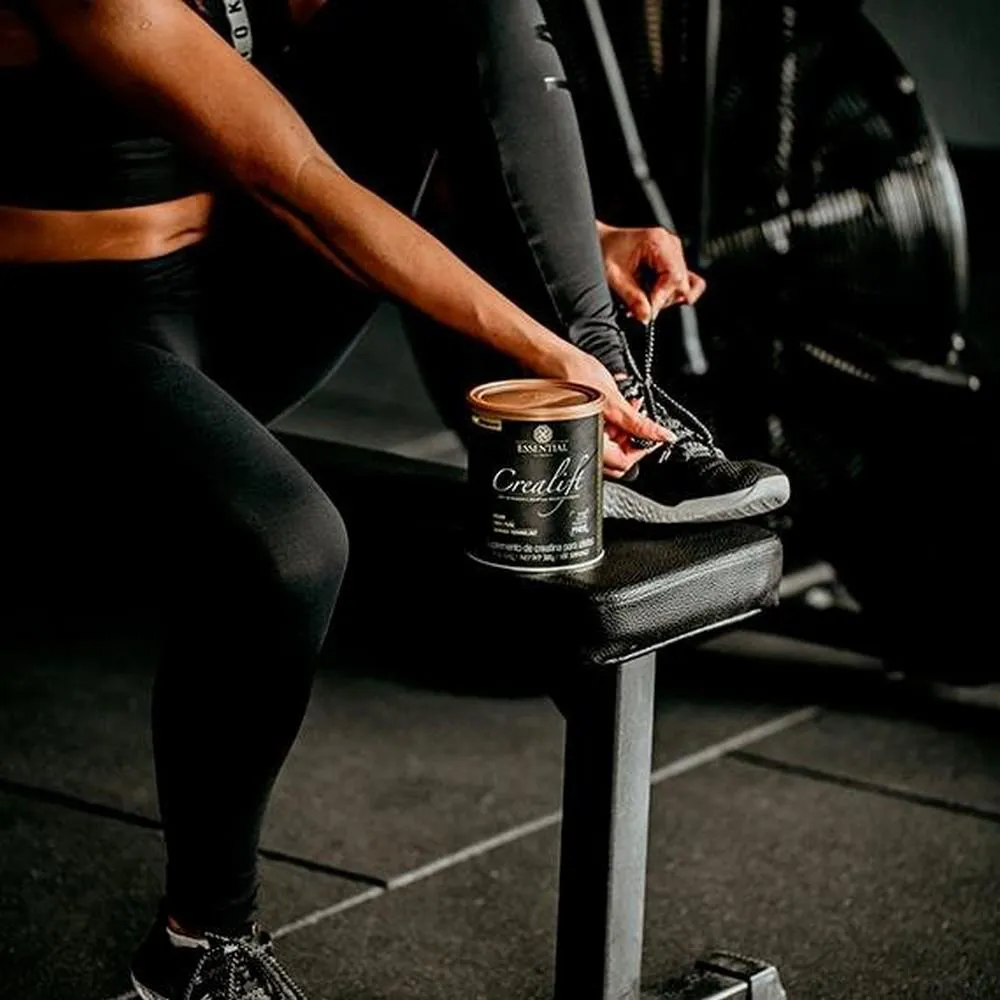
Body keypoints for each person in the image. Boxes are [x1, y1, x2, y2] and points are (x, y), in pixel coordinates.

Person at [0, 0, 788, 997]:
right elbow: (295, 177)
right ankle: (200, 951)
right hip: (57, 332)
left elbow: (397, 132)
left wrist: (574, 241)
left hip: (220, 295)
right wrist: (539, 349)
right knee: (289, 545)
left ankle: (605, 409)